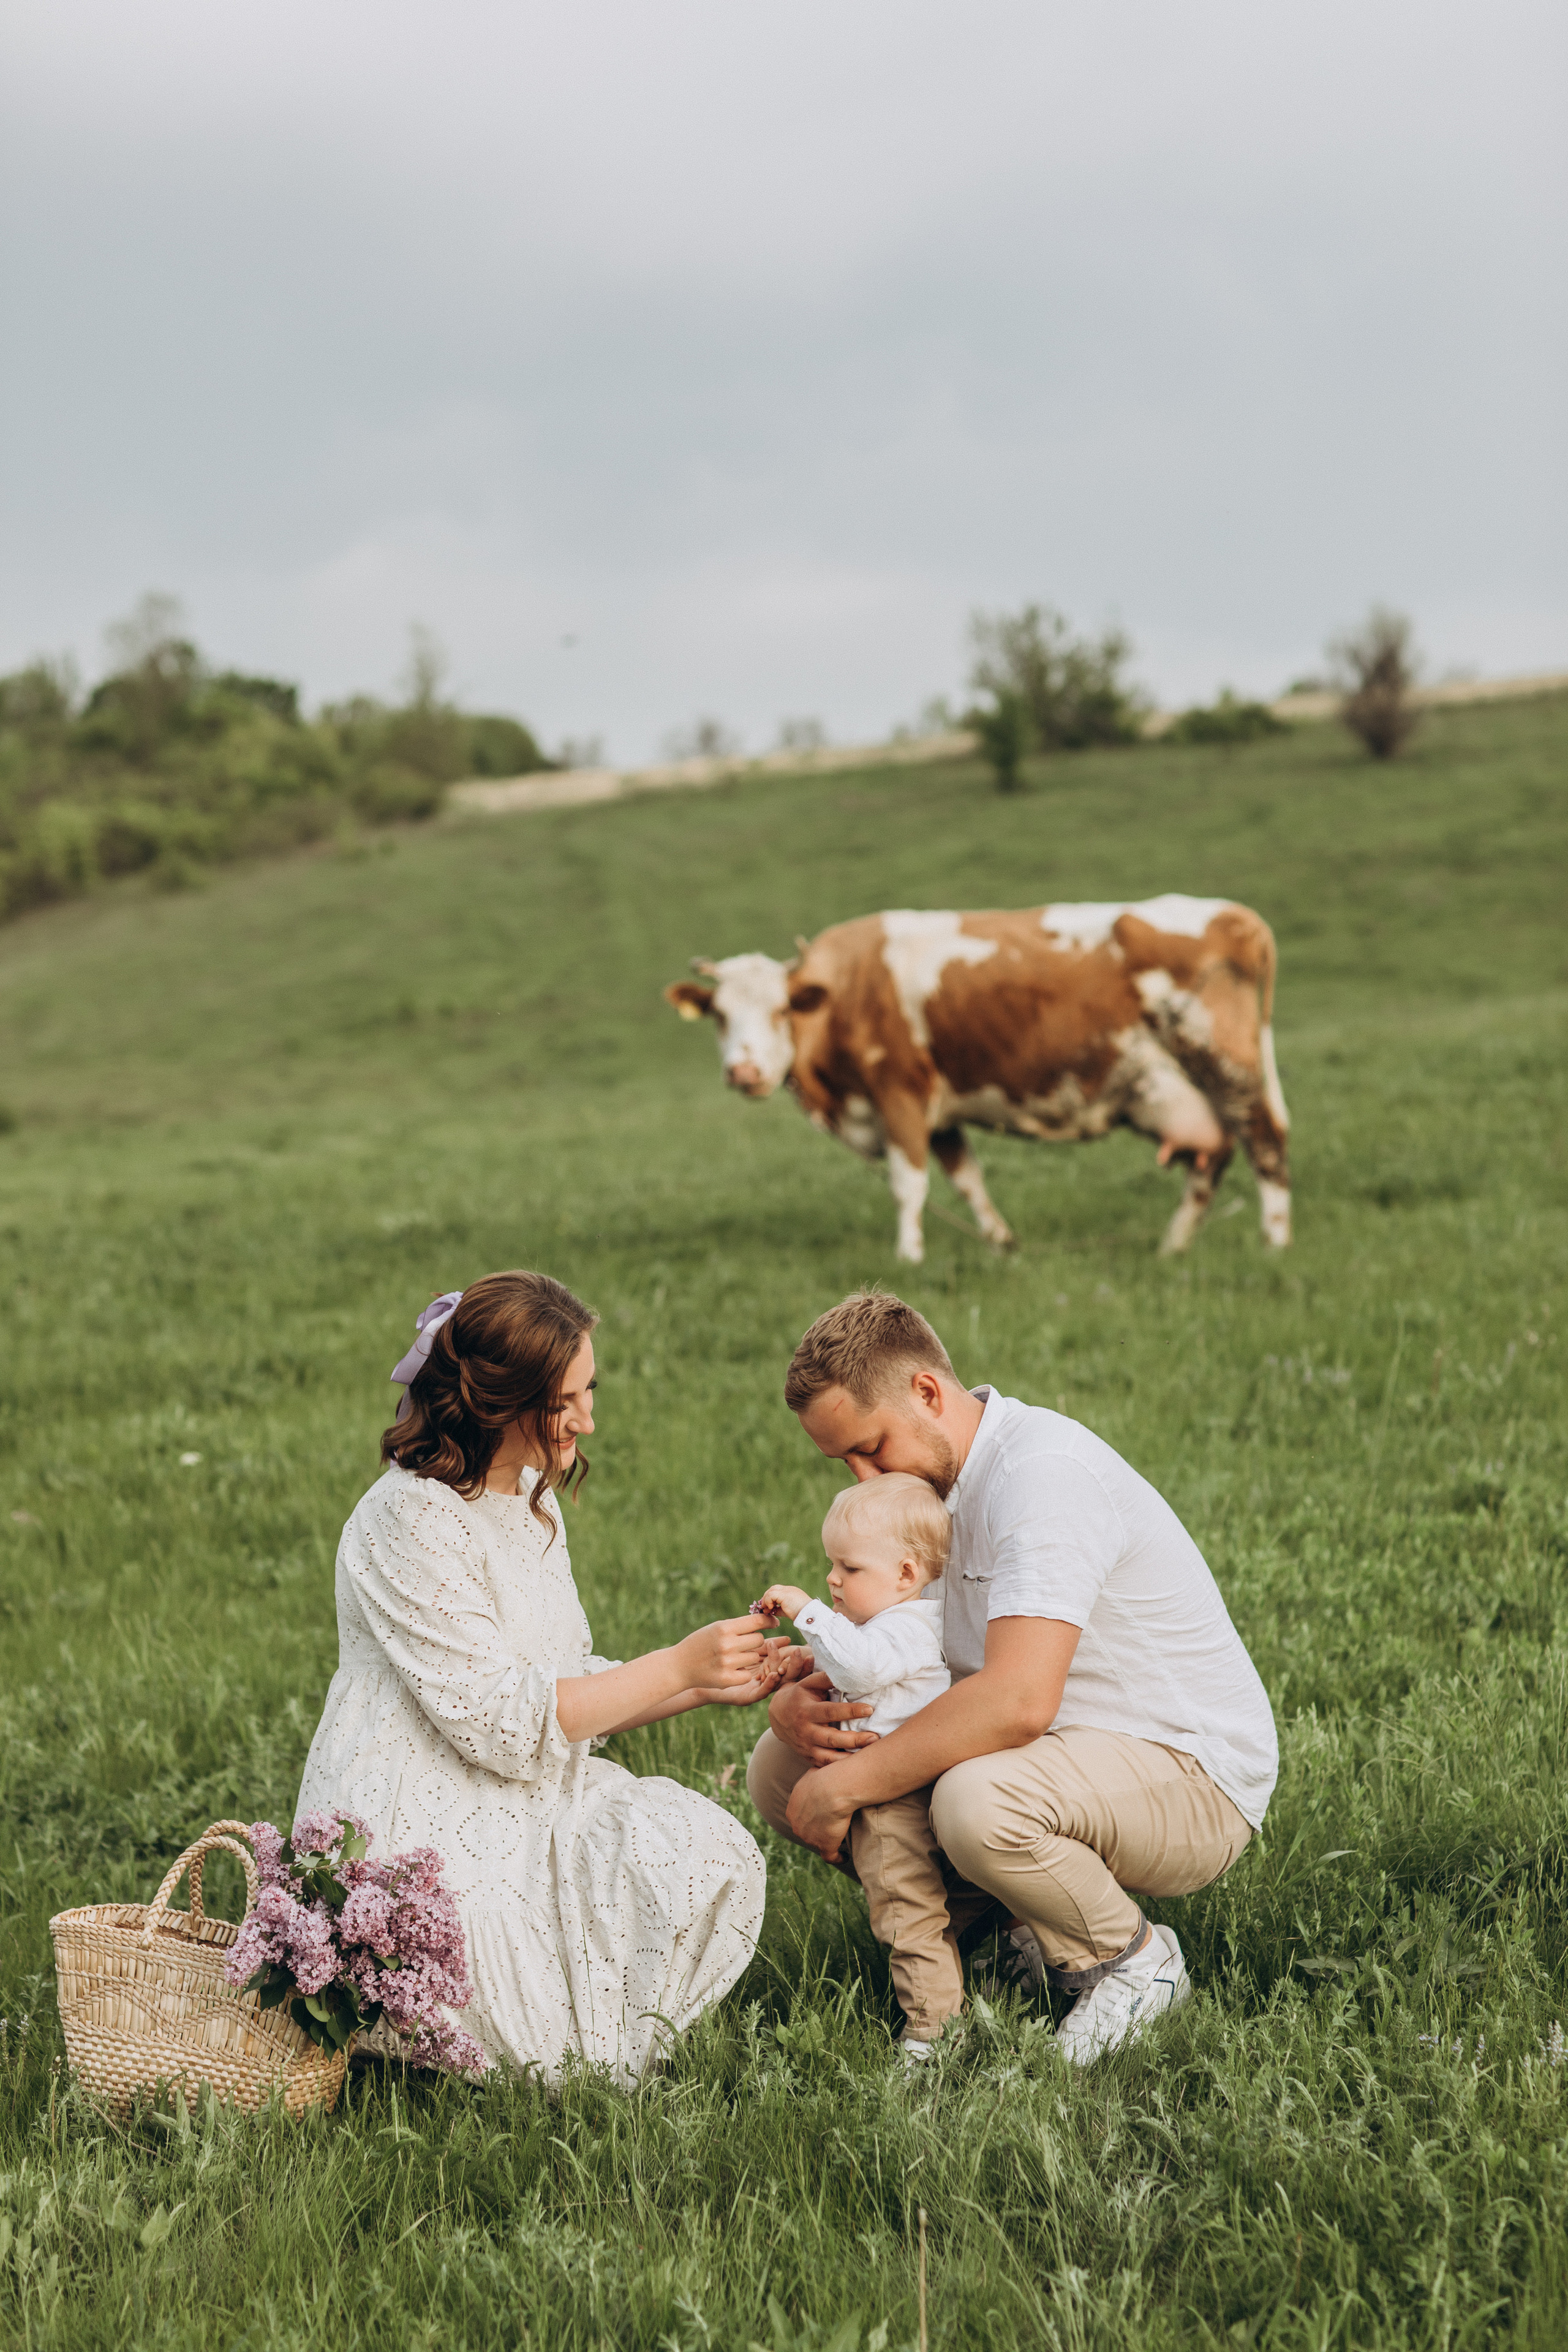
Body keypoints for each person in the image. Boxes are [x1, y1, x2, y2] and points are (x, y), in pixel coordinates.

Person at [748, 1292, 1278, 2065]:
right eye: (843, 1464)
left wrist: (846, 1790)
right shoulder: (927, 1493)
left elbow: (1017, 1703)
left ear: (927, 1393)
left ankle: (1130, 1963)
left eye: (870, 1448)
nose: (864, 1478)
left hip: (1188, 1772)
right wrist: (807, 1695)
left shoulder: (1040, 1475)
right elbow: (916, 1651)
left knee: (975, 1802)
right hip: (1067, 1756)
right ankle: (1005, 1936)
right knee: (782, 1770)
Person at [296, 1270, 785, 2086]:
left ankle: (596, 2061)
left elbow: (556, 1683)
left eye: (589, 1391)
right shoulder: (408, 1518)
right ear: (499, 1401)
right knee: (498, 1967)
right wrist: (676, 1665)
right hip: (422, 1804)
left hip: (528, 1787)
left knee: (705, 1851)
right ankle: (427, 2043)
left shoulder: (530, 1498)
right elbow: (497, 1720)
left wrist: (703, 1682)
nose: (589, 1419)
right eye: (568, 1401)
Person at [753, 1473, 956, 2064]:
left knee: (905, 1910)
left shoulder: (910, 1628)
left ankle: (933, 2030)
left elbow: (863, 1668)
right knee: (915, 1902)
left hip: (896, 1801)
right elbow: (849, 1655)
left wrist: (807, 1612)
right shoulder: (888, 1625)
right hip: (888, 1788)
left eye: (849, 1568)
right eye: (829, 1566)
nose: (832, 1579)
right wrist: (798, 1657)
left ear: (906, 1574)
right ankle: (976, 1973)